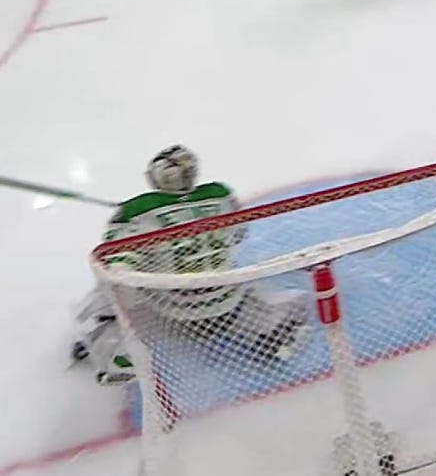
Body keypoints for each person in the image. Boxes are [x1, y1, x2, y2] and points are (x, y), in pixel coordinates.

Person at [73, 145, 307, 385]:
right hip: (227, 305)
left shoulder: (137, 211)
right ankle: (270, 334)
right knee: (242, 279)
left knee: (106, 288)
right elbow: (238, 234)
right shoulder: (220, 195)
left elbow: (117, 263)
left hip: (172, 312)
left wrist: (134, 220)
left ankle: (113, 352)